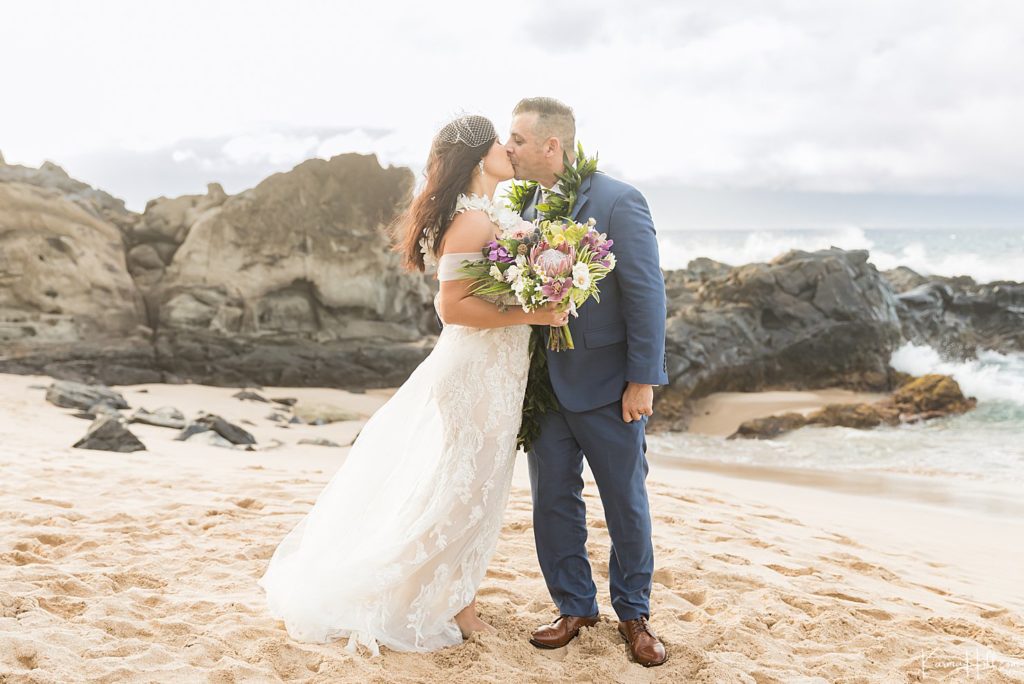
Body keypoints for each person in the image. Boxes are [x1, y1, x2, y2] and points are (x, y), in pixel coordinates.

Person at [257, 114, 568, 655]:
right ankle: (449, 604)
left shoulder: (490, 214)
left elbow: (484, 295)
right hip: (473, 372)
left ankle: (458, 597)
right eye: (497, 141)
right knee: (462, 488)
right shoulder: (470, 222)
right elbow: (452, 308)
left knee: (477, 486)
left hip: (496, 370)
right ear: (476, 158)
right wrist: (535, 315)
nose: (507, 149)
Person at [506, 97, 670, 668]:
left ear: (552, 145)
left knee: (625, 501)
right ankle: (574, 605)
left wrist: (643, 380)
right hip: (544, 387)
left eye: (519, 140)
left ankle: (635, 614)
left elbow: (648, 294)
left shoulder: (619, 201)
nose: (510, 149)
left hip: (608, 385)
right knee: (552, 500)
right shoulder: (522, 203)